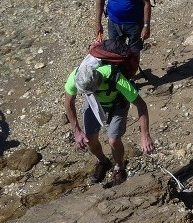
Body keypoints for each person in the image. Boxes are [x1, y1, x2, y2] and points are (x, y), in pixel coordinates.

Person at [64, 40, 154, 187]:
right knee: (89, 139)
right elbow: (68, 103)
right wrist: (77, 131)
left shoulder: (113, 76)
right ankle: (103, 162)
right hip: (94, 104)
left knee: (113, 140)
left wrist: (145, 135)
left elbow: (141, 105)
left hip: (117, 104)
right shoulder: (76, 77)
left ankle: (119, 167)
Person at [95, 0, 152, 76]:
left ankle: (130, 77)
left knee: (134, 53)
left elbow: (146, 3)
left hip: (135, 24)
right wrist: (98, 23)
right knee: (114, 53)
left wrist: (146, 26)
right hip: (114, 23)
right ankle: (118, 77)